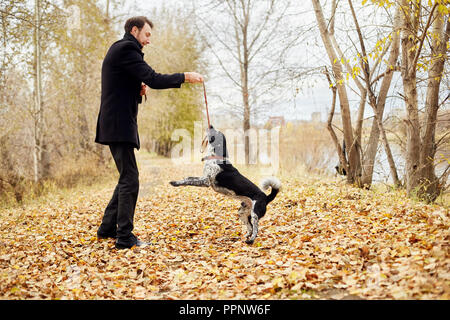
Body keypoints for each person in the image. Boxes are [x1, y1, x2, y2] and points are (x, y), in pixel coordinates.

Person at [95, 16, 204, 249]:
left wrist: (137, 89)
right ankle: (124, 237)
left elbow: (120, 85)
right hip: (118, 124)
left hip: (116, 123)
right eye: (147, 35)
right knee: (130, 179)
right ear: (134, 30)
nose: (148, 40)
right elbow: (153, 78)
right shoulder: (126, 49)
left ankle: (107, 229)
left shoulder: (120, 48)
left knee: (127, 176)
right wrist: (184, 77)